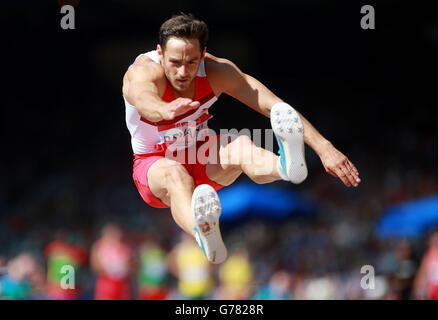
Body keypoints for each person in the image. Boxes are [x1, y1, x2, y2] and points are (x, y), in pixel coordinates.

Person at [122, 13, 361, 264]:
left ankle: (286, 168)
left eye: (192, 62)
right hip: (155, 165)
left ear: (203, 54)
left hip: (201, 154)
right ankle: (202, 230)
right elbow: (143, 98)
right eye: (174, 62)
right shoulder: (142, 72)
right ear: (160, 53)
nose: (183, 71)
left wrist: (324, 147)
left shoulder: (217, 71)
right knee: (174, 173)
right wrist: (164, 110)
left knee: (241, 145)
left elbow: (275, 107)